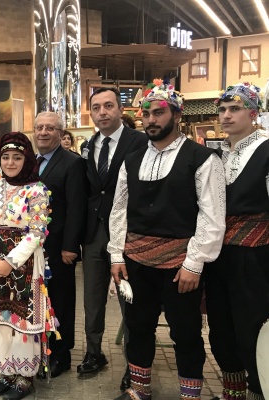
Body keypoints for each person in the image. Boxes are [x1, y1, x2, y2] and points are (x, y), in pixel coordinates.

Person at [108, 80, 226, 400]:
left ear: (176, 113)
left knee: (185, 333)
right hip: (135, 261)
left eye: (158, 112)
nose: (150, 120)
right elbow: (119, 209)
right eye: (146, 114)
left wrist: (195, 263)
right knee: (138, 327)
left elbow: (212, 216)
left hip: (180, 265)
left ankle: (190, 395)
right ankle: (140, 390)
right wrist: (117, 256)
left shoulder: (201, 158)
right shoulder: (131, 159)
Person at [0, 132, 55, 400]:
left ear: (27, 159)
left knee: (22, 320)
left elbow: (37, 232)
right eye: (5, 157)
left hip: (24, 264)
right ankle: (7, 372)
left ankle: (25, 377)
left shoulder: (37, 190)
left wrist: (10, 263)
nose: (10, 162)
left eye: (17, 157)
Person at [81, 87, 147, 389]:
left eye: (108, 106)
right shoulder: (88, 144)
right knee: (92, 300)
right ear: (91, 112)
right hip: (94, 234)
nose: (103, 112)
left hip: (128, 234)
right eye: (97, 107)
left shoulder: (141, 142)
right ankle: (94, 353)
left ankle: (135, 366)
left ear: (120, 110)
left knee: (128, 302)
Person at [206, 82, 268, 400]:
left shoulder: (266, 149)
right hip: (219, 257)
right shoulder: (219, 154)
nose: (226, 115)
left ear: (253, 114)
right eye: (222, 110)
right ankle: (233, 393)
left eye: (235, 109)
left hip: (254, 257)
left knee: (252, 332)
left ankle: (259, 392)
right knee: (221, 332)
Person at [33, 112, 87, 378]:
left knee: (61, 301)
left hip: (59, 248)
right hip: (34, 248)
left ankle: (62, 355)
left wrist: (70, 246)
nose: (43, 132)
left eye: (50, 128)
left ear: (60, 133)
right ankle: (43, 349)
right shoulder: (31, 163)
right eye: (39, 127)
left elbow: (77, 207)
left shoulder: (72, 163)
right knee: (41, 300)